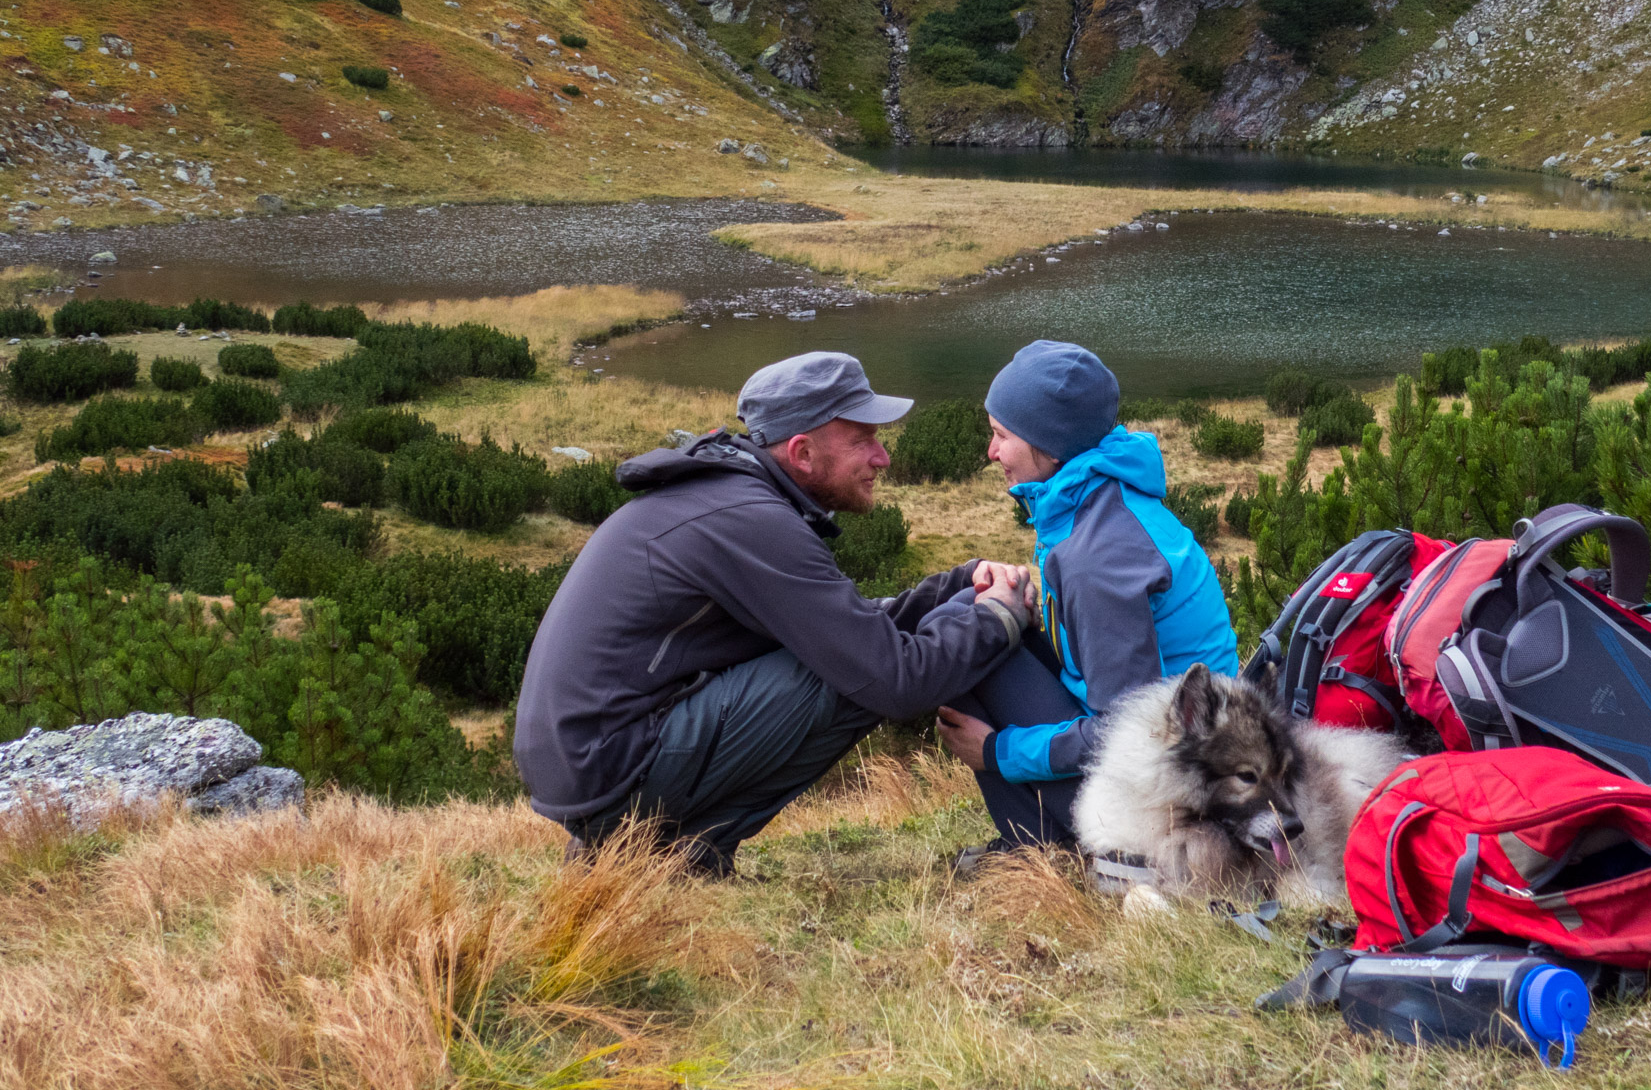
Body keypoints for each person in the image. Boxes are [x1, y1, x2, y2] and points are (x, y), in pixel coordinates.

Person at [513, 351, 1033, 874]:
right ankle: (674, 852)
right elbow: (893, 680)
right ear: (803, 453)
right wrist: (998, 619)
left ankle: (668, 854)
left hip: (590, 766)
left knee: (847, 657)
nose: (883, 458)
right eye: (864, 440)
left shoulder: (728, 497)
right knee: (852, 676)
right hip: (610, 773)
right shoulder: (750, 520)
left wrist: (957, 584)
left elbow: (840, 627)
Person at [934, 340, 1239, 855]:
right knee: (979, 612)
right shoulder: (1100, 495)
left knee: (964, 631)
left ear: (1050, 447)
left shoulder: (1097, 557)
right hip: (1189, 761)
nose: (991, 453)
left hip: (1174, 800)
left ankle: (1043, 850)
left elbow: (1126, 731)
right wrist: (1036, 622)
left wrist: (995, 751)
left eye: (1000, 436)